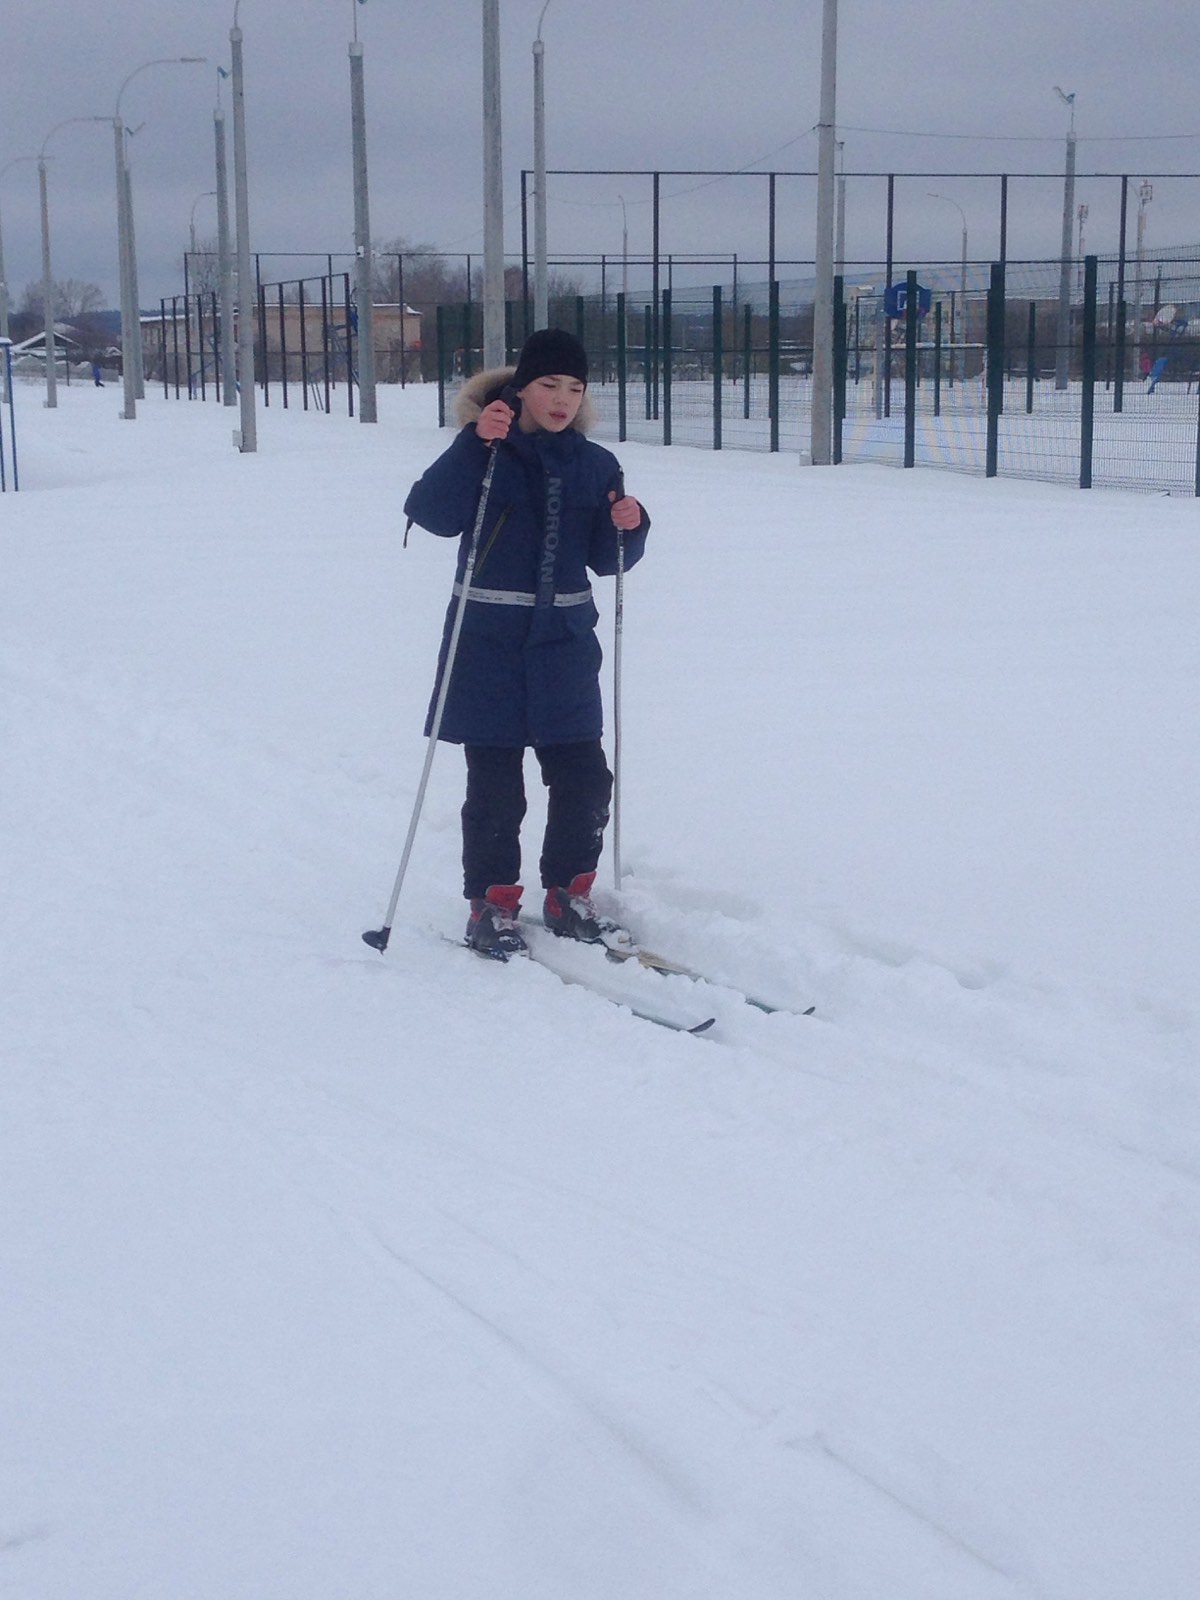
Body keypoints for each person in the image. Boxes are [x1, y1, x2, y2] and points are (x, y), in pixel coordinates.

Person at [403, 328, 650, 959]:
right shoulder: (486, 450)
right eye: (549, 385)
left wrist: (634, 526)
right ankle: (491, 904)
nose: (563, 399)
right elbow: (430, 513)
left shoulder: (596, 465)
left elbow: (605, 558)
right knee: (496, 790)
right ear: (521, 387)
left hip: (564, 648)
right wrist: (472, 444)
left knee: (587, 779)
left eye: (575, 387)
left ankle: (569, 892)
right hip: (488, 646)